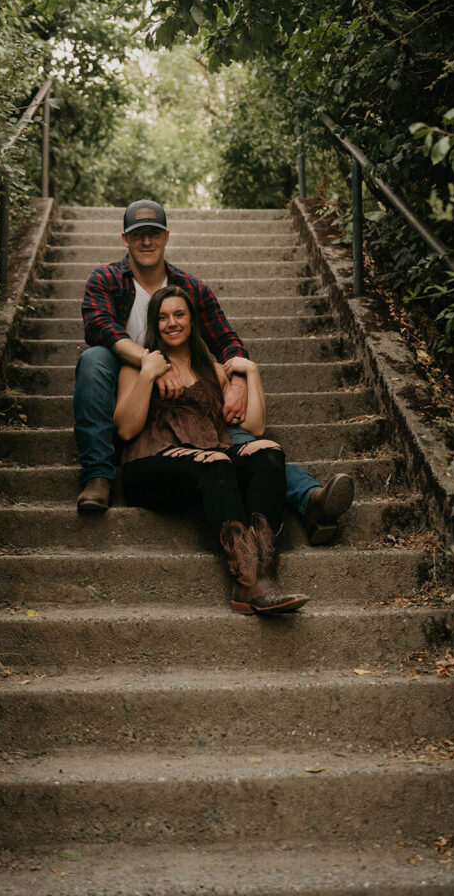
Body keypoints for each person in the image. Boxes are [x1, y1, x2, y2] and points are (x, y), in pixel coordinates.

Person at [74, 198, 354, 541]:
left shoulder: (189, 288)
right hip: (134, 396)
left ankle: (311, 499)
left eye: (154, 233)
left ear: (166, 236)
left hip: (190, 406)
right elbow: (100, 327)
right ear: (125, 240)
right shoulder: (106, 279)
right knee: (94, 359)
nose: (146, 242)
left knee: (245, 446)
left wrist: (237, 380)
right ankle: (98, 474)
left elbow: (227, 340)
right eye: (138, 235)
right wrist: (151, 364)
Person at [114, 285, 309, 614]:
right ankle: (248, 581)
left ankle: (261, 574)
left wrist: (252, 372)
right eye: (162, 318)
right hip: (149, 466)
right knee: (217, 462)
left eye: (179, 314)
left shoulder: (214, 371)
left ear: (192, 321)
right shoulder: (136, 368)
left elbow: (255, 428)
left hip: (210, 458)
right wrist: (149, 373)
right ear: (153, 324)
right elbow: (126, 428)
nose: (171, 323)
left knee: (268, 452)